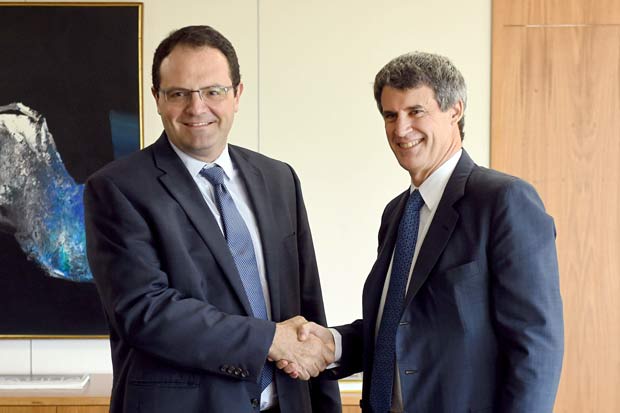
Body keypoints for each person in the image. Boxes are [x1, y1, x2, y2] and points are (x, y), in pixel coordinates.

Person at [285, 52, 564, 412]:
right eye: (390, 115)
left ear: (455, 111)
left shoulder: (503, 200)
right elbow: (400, 328)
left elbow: (537, 345)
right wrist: (333, 344)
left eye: (416, 111)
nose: (401, 129)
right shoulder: (397, 213)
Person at [84, 25, 341, 413]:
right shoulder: (117, 189)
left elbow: (307, 302)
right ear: (157, 98)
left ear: (237, 94)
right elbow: (145, 311)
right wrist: (269, 339)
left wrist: (324, 402)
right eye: (178, 94)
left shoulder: (278, 179)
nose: (197, 107)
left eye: (213, 91)